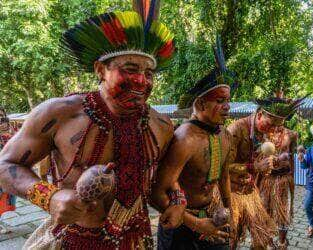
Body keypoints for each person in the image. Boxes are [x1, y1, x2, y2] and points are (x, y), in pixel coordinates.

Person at [0, 2, 183, 249]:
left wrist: (178, 201)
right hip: (76, 239)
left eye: (149, 73)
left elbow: (165, 179)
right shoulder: (59, 113)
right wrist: (50, 197)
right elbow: (5, 164)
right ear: (100, 69)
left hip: (138, 240)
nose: (141, 80)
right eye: (130, 69)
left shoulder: (161, 124)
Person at [152, 38, 235, 250]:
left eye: (228, 100)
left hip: (212, 217)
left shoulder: (225, 135)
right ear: (200, 103)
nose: (227, 106)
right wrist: (197, 224)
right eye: (219, 101)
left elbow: (224, 177)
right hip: (180, 225)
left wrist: (230, 212)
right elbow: (157, 194)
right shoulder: (184, 139)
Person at [227, 94, 305, 249]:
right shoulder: (236, 129)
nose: (273, 130)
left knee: (262, 237)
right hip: (231, 193)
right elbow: (221, 168)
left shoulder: (264, 134)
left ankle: (280, 242)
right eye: (271, 125)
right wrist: (255, 167)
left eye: (278, 126)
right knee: (231, 237)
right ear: (260, 114)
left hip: (250, 192)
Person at [0, 108, 16, 234]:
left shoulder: (9, 127)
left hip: (6, 168)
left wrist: (10, 132)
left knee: (3, 196)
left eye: (2, 116)